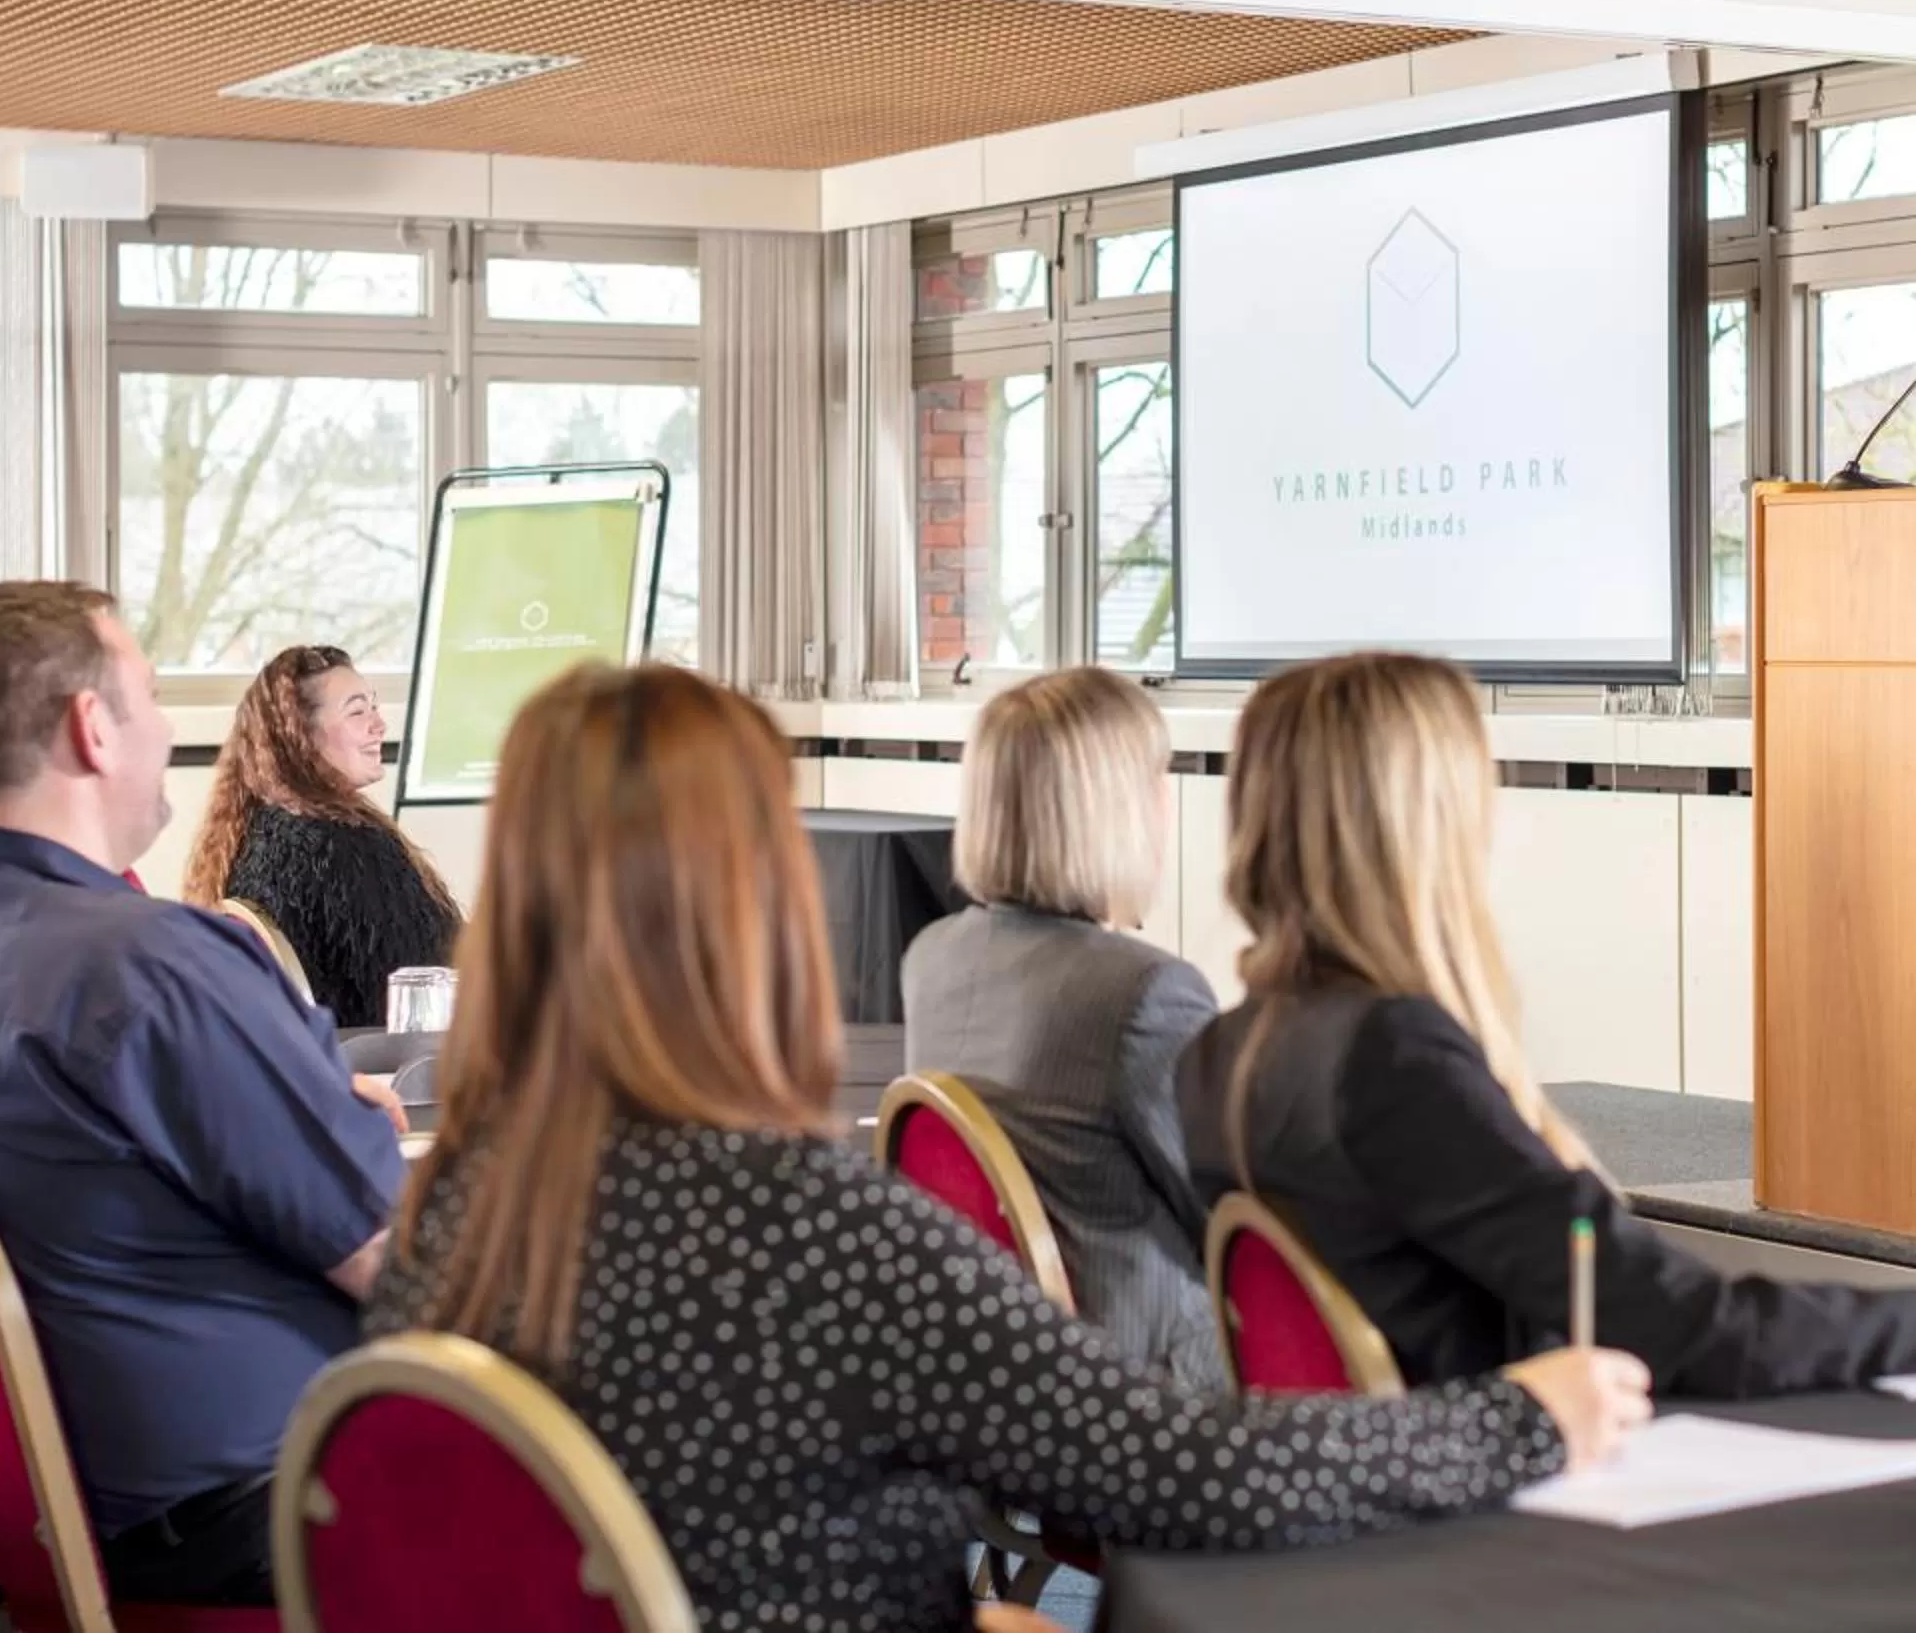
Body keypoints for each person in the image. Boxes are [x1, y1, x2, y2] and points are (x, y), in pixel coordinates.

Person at [367, 663, 1648, 1633]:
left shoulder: (460, 1213)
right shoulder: (811, 1231)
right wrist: (1512, 1422)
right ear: (752, 905)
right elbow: (1182, 1474)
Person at [1176, 651, 1916, 1398]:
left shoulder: (1225, 1052)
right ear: (1432, 826)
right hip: (1499, 1509)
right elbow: (1675, 1327)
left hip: (1364, 1507)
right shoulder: (1393, 1061)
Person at [0, 583, 407, 1606]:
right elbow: (392, 1256)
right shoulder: (154, 968)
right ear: (93, 727)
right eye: (152, 695)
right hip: (260, 1510)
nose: (168, 729)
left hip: (20, 1509)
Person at [902, 666, 1225, 1387]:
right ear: (1120, 806)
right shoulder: (1144, 993)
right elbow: (1236, 1220)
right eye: (1157, 778)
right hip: (1155, 1387)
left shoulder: (932, 959)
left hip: (1004, 1373)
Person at [183, 644, 460, 1028]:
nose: (379, 725)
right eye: (357, 711)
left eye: (375, 707)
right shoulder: (343, 846)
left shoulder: (251, 836)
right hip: (379, 1069)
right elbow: (421, 985)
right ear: (301, 733)